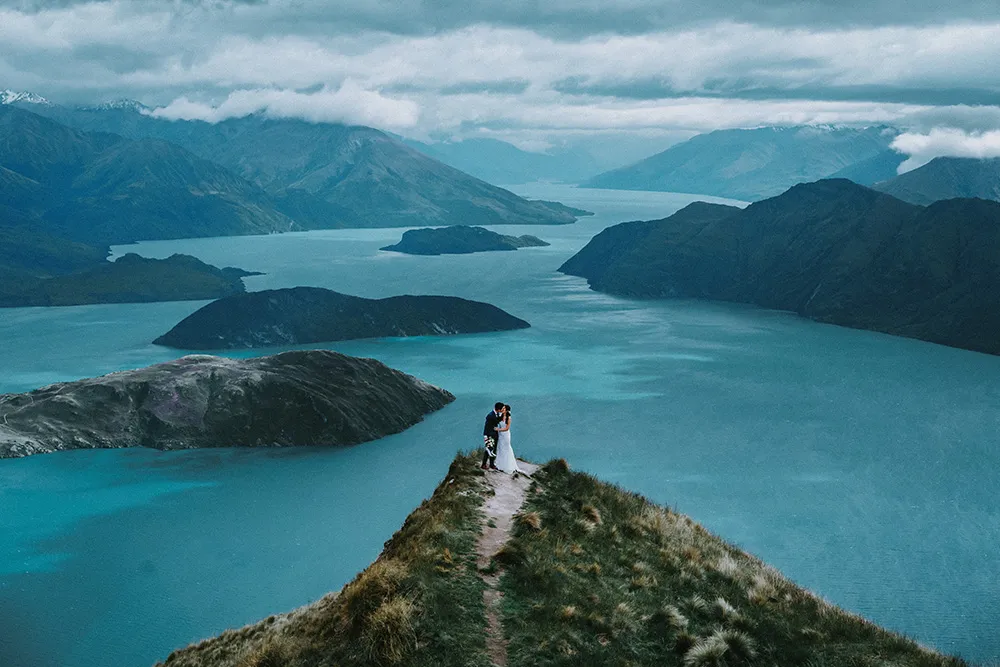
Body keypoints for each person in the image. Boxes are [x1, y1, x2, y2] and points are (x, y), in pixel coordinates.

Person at [494, 404, 522, 474]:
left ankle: (507, 466)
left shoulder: (509, 418)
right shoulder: (500, 416)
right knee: (500, 448)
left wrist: (498, 429)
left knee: (506, 448)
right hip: (500, 435)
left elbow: (507, 428)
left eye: (503, 409)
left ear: (506, 410)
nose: (502, 410)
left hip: (505, 435)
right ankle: (500, 465)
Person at [481, 402, 504, 471]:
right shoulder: (490, 415)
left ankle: (492, 464)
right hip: (490, 435)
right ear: (499, 409)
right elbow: (496, 421)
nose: (503, 410)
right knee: (488, 450)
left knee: (493, 450)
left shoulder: (495, 414)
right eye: (502, 408)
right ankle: (484, 464)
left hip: (494, 434)